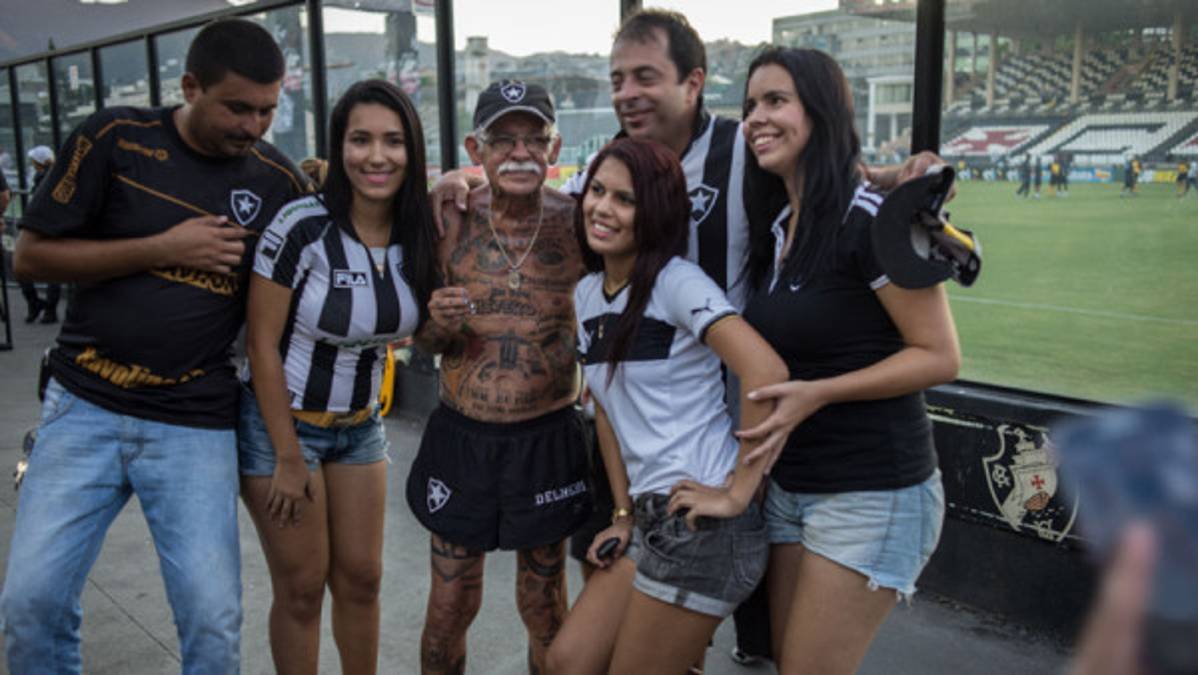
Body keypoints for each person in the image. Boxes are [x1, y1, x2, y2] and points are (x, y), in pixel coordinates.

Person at [1, 18, 308, 673]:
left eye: (268, 109)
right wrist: (165, 247)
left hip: (194, 419)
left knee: (212, 621)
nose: (253, 125)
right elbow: (29, 257)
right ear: (189, 85)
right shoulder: (114, 137)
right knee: (31, 603)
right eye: (237, 107)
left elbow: (344, 232)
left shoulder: (277, 181)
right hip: (83, 402)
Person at [735, 47, 961, 674]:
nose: (757, 117)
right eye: (751, 104)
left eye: (776, 100)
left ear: (824, 111)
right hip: (793, 488)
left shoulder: (872, 219)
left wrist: (819, 392)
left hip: (873, 491)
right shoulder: (782, 222)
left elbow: (940, 357)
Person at [545, 137, 786, 675]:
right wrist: (623, 513)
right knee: (567, 661)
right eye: (598, 191)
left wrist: (738, 492)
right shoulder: (585, 294)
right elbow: (605, 409)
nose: (602, 208)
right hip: (650, 520)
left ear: (653, 212)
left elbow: (766, 371)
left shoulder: (677, 282)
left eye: (624, 199)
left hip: (704, 529)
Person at [239, 79, 436, 675]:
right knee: (301, 588)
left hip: (360, 427)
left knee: (363, 580)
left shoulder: (419, 230)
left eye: (393, 141)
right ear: (339, 145)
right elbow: (261, 346)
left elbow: (418, 331)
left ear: (413, 150)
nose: (377, 156)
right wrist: (287, 456)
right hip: (282, 428)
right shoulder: (301, 225)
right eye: (360, 139)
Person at [406, 80, 592, 675]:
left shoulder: (581, 224)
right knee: (450, 604)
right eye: (503, 140)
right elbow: (424, 344)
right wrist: (436, 324)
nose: (520, 152)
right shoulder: (448, 223)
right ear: (475, 148)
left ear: (554, 146)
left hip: (547, 435)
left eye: (534, 139)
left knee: (545, 605)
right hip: (464, 435)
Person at [19, 146, 62, 323]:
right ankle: (49, 310)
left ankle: (35, 303)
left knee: (24, 268)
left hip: (41, 229)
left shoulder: (41, 180)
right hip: (55, 229)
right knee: (54, 273)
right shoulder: (57, 176)